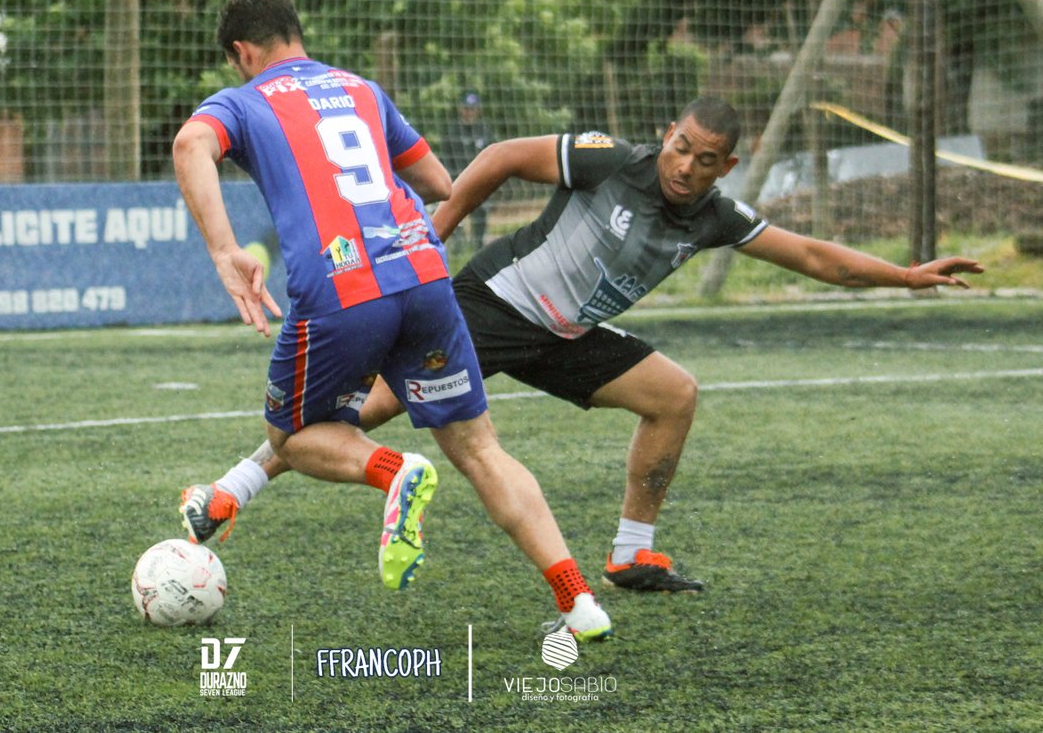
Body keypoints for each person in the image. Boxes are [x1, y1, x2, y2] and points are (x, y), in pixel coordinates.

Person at [181, 94, 985, 594]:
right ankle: (230, 489)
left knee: (674, 394)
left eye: (705, 159)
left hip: (566, 335)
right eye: (680, 146)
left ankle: (633, 554)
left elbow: (812, 256)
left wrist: (908, 276)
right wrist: (439, 226)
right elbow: (501, 158)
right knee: (355, 414)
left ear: (726, 165)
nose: (685, 165)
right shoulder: (611, 161)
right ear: (667, 134)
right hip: (492, 305)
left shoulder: (715, 216)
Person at [171, 0, 612, 641]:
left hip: (341, 286)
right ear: (296, 33)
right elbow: (438, 181)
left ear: (242, 52)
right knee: (481, 448)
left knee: (292, 436)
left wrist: (223, 249)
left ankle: (394, 469)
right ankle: (579, 602)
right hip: (424, 273)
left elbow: (190, 144)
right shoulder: (363, 90)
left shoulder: (243, 100)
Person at [437, 91, 492, 253]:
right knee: (455, 216)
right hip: (457, 181)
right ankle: (457, 248)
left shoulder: (484, 130)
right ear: (461, 109)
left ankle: (478, 247)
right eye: (466, 108)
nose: (469, 112)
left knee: (481, 213)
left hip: (479, 182)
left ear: (478, 110)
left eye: (472, 109)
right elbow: (445, 158)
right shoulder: (452, 132)